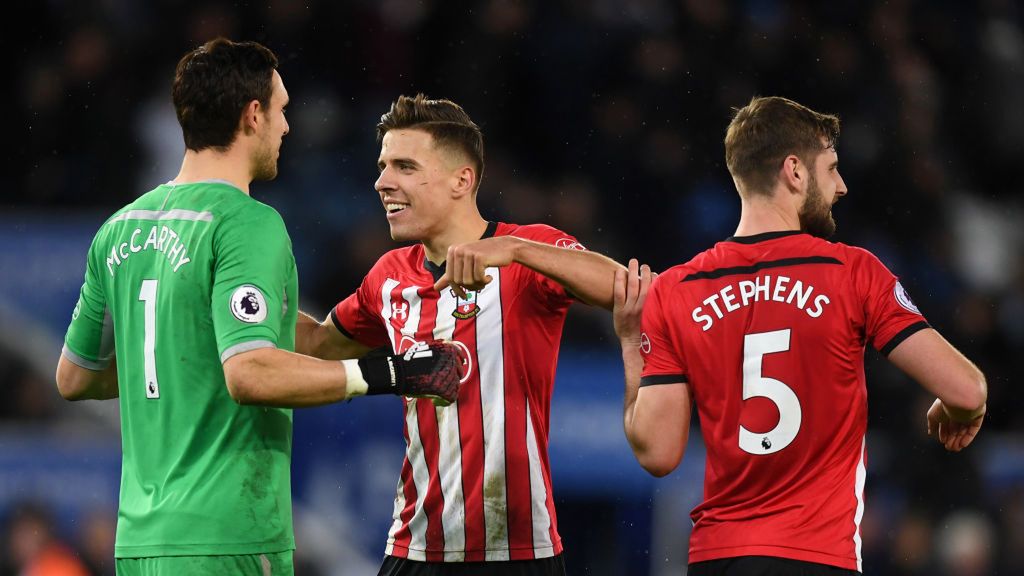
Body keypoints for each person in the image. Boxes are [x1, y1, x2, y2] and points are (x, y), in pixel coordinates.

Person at [55, 39, 463, 576]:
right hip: (226, 536)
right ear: (253, 115)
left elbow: (74, 377)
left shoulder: (119, 229)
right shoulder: (247, 223)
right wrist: (388, 374)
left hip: (139, 541)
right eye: (281, 109)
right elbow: (250, 373)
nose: (286, 127)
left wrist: (187, 360)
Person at [612, 96, 987, 576]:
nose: (841, 186)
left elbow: (658, 453)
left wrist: (631, 343)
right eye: (830, 168)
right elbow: (968, 390)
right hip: (816, 555)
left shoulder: (677, 289)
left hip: (720, 557)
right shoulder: (853, 273)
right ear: (794, 171)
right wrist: (956, 409)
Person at [297, 94, 624, 575]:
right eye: (383, 166)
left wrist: (515, 249)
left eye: (405, 166)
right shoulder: (389, 275)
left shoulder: (527, 250)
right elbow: (317, 345)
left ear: (462, 180)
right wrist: (240, 293)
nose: (383, 182)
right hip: (415, 548)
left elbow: (626, 289)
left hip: (519, 551)